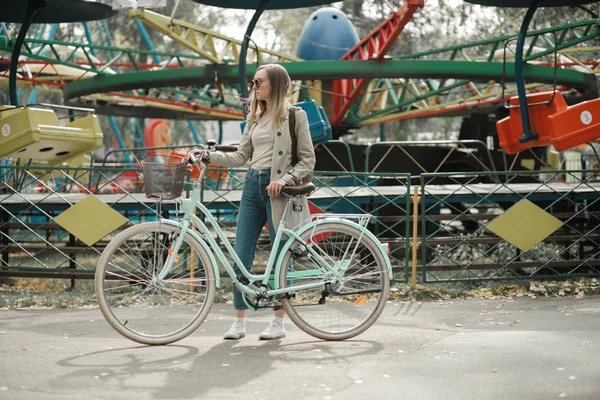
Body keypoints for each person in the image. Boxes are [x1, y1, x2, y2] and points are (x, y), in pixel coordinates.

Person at [194, 64, 316, 340]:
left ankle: (278, 321)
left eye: (258, 81)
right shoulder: (255, 117)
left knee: (281, 258)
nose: (254, 86)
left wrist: (285, 180)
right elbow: (240, 156)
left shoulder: (295, 115)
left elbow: (308, 158)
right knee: (241, 255)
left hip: (279, 192)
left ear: (275, 85)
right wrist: (208, 156)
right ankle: (239, 321)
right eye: (253, 81)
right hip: (252, 187)